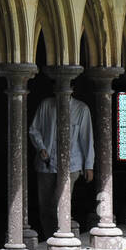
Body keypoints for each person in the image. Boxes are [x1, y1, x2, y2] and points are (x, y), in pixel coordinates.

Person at [28, 94, 94, 242]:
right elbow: (34, 129)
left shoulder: (81, 108)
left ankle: (63, 236)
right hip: (46, 163)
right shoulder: (46, 104)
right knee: (45, 207)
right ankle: (50, 239)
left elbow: (86, 137)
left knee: (59, 204)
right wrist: (41, 147)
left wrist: (89, 165)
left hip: (72, 164)